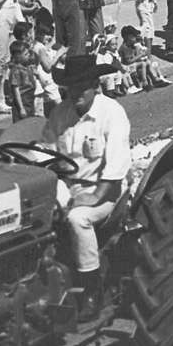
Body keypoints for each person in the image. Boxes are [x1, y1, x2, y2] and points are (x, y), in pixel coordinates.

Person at [40, 54, 132, 321]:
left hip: (107, 190)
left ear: (95, 85)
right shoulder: (60, 113)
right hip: (69, 185)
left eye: (82, 87)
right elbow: (45, 150)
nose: (76, 93)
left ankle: (92, 289)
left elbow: (116, 164)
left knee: (78, 219)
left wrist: (95, 197)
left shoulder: (111, 112)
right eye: (71, 87)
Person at [5, 39, 37, 121]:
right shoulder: (16, 71)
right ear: (17, 57)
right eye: (26, 54)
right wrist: (21, 108)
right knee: (21, 124)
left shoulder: (26, 67)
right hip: (22, 101)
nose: (29, 55)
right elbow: (16, 91)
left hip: (29, 100)